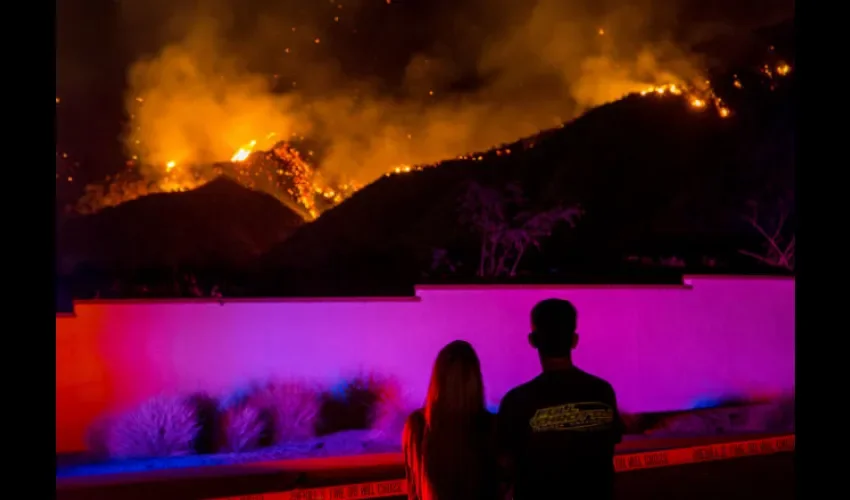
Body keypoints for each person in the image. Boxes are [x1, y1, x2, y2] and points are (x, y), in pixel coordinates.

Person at [497, 299, 623, 500]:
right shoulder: (603, 392)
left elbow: (504, 465)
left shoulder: (516, 401)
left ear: (533, 340)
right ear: (574, 340)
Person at [402, 340, 500, 500]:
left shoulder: (417, 426)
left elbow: (413, 489)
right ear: (475, 379)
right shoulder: (491, 427)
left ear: (438, 378)